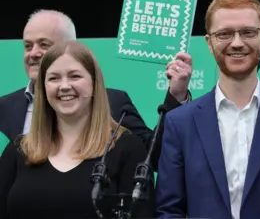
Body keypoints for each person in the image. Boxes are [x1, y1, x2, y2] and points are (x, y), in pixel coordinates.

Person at [155, 0, 260, 219]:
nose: (237, 43)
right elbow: (168, 210)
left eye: (248, 32)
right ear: (209, 43)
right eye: (225, 34)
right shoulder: (180, 122)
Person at [0, 10, 192, 168]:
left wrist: (176, 96)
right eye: (27, 46)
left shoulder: (113, 103)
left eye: (44, 45)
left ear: (73, 48)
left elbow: (154, 156)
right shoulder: (6, 107)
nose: (33, 53)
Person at [0, 40, 154, 218]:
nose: (64, 86)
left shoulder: (127, 148)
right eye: (54, 78)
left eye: (74, 76)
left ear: (95, 83)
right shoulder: (18, 149)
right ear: (43, 88)